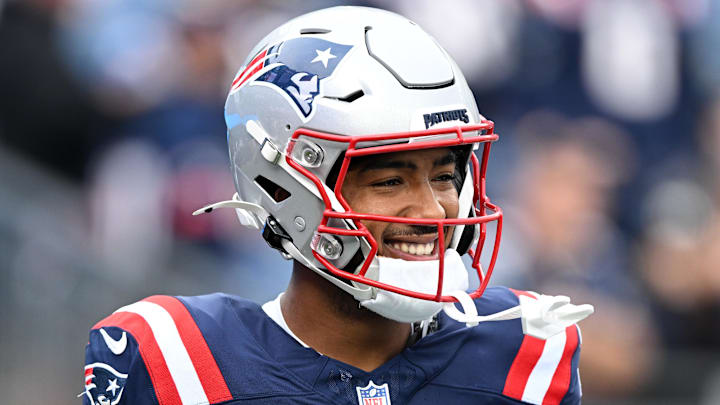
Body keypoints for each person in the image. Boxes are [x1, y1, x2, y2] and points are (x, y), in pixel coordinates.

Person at [80, 6, 593, 405]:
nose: (434, 211)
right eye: (391, 181)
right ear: (281, 186)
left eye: (443, 176)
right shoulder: (176, 361)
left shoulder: (524, 354)